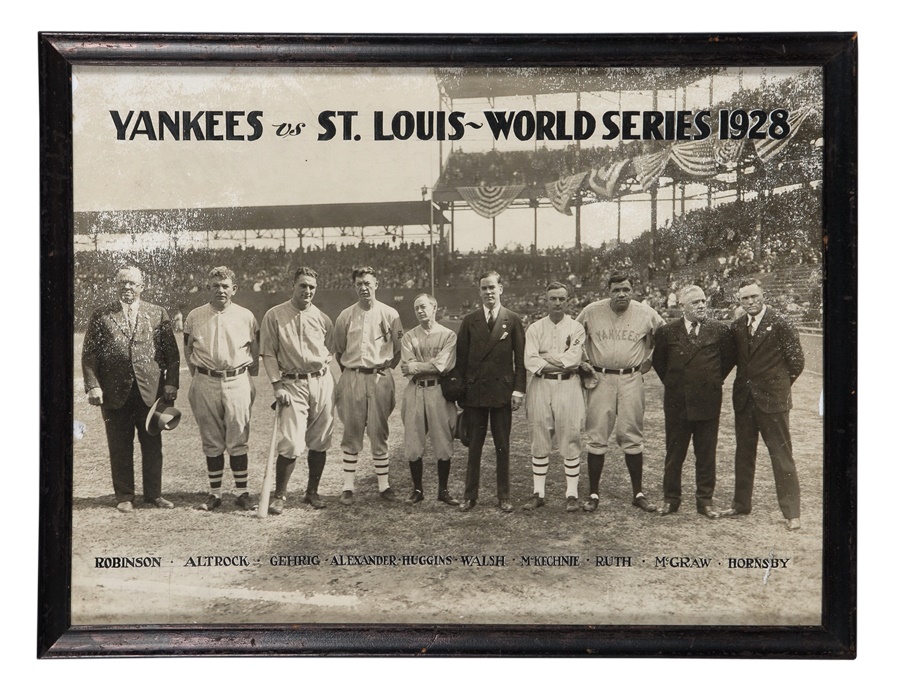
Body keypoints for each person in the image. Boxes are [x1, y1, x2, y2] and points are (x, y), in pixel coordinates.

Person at [82, 266, 180, 512]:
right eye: (122, 283)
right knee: (119, 445)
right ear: (116, 286)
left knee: (152, 445)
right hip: (114, 394)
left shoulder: (157, 313)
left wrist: (171, 383)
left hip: (151, 392)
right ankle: (124, 496)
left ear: (142, 286)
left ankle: (154, 494)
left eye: (132, 283)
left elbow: (172, 355)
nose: (127, 287)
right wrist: (93, 385)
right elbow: (89, 355)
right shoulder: (101, 315)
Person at [720, 278, 805, 530]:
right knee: (743, 454)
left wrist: (776, 387)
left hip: (773, 403)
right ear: (739, 301)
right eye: (745, 298)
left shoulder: (781, 323)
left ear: (763, 295)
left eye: (754, 297)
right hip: (745, 402)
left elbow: (796, 363)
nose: (750, 302)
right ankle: (740, 504)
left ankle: (792, 513)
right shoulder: (737, 326)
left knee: (781, 456)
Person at [576, 271, 664, 512]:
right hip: (600, 378)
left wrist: (652, 359)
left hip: (631, 378)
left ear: (632, 291)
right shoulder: (592, 310)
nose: (621, 294)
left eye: (626, 289)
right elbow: (571, 336)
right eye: (616, 290)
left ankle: (638, 492)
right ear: (608, 292)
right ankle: (593, 493)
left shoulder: (646, 312)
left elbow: (666, 336)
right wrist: (583, 363)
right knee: (597, 435)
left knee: (632, 434)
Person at [652, 285, 736, 519]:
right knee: (674, 453)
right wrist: (676, 383)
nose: (701, 305)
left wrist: (710, 381)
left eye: (703, 301)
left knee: (706, 453)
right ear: (682, 307)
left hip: (708, 402)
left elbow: (727, 361)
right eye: (695, 302)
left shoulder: (719, 330)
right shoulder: (667, 332)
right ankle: (671, 499)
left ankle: (705, 501)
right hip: (677, 403)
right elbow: (660, 364)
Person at [259, 267, 335, 514]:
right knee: (291, 441)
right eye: (303, 285)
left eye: (312, 287)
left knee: (320, 440)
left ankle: (312, 492)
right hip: (292, 384)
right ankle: (280, 495)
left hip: (321, 381)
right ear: (293, 285)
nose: (307, 291)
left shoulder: (323, 318)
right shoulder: (274, 315)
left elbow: (331, 350)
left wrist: (323, 375)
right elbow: (268, 354)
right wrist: (277, 386)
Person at [184, 266, 259, 512]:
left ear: (234, 289)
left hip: (237, 379)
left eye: (225, 286)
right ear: (209, 288)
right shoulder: (195, 315)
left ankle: (242, 492)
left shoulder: (246, 315)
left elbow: (254, 351)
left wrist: (246, 377)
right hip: (205, 380)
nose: (220, 290)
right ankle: (215, 493)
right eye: (215, 286)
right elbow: (188, 349)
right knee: (211, 439)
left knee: (238, 437)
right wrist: (200, 376)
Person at [454, 270, 526, 513]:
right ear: (479, 291)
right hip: (476, 394)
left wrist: (518, 390)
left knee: (502, 445)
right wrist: (461, 395)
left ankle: (504, 496)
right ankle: (470, 496)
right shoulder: (469, 320)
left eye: (492, 287)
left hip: (502, 393)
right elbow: (460, 362)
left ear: (501, 289)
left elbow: (521, 359)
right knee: (474, 446)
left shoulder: (513, 319)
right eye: (484, 288)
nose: (488, 292)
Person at [332, 266, 403, 505]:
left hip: (380, 377)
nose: (364, 288)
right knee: (351, 432)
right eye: (359, 284)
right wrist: (354, 372)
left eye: (367, 283)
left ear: (376, 284)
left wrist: (382, 369)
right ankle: (348, 487)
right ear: (354, 286)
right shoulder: (345, 315)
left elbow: (398, 349)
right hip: (352, 376)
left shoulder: (391, 314)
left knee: (378, 431)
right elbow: (340, 349)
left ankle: (384, 486)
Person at [522, 282, 586, 513]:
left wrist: (546, 359)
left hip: (568, 386)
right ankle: (538, 493)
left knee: (570, 437)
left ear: (568, 301)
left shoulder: (577, 327)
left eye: (561, 299)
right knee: (539, 437)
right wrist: (559, 361)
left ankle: (572, 494)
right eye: (553, 299)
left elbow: (574, 360)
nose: (557, 303)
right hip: (540, 386)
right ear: (545, 301)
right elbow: (530, 361)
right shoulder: (534, 328)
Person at [399, 294, 460, 506]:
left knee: (443, 441)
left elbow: (443, 365)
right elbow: (406, 367)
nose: (420, 311)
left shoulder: (448, 335)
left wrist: (417, 366)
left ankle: (443, 491)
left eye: (423, 307)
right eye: (416, 308)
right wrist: (425, 366)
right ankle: (417, 490)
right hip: (415, 390)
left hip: (438, 391)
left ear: (434, 307)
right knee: (414, 441)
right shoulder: (409, 337)